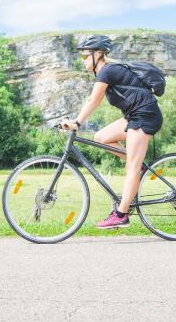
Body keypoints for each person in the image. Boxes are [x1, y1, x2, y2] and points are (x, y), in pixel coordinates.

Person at [61, 35, 163, 229]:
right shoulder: (107, 72)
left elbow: (93, 100)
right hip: (134, 116)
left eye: (84, 56)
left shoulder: (107, 71)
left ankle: (121, 215)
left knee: (131, 169)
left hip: (144, 117)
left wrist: (76, 122)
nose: (82, 61)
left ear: (98, 54)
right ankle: (137, 166)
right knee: (101, 137)